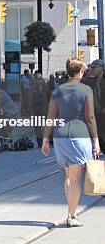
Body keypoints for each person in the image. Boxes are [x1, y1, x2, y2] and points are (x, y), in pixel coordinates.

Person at [42, 58, 100, 227]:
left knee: (69, 175)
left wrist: (45, 139)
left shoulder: (58, 91)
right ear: (80, 72)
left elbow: (50, 117)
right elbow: (90, 117)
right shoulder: (85, 90)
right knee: (75, 177)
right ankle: (71, 215)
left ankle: (70, 212)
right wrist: (95, 140)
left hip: (60, 136)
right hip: (79, 134)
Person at [81, 59, 105, 153]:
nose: (92, 69)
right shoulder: (92, 81)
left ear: (101, 68)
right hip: (98, 117)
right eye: (91, 67)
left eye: (94, 67)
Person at [31, 71, 51, 147]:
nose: (39, 80)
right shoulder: (32, 88)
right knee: (37, 126)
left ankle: (48, 139)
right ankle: (39, 140)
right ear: (34, 79)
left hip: (45, 108)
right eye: (37, 78)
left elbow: (50, 96)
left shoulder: (46, 86)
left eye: (40, 78)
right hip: (36, 108)